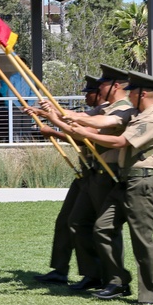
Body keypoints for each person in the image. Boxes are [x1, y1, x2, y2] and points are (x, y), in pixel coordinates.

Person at [65, 70, 153, 305]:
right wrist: (68, 117)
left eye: (132, 92)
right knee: (102, 228)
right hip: (124, 182)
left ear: (143, 94)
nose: (128, 95)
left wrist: (82, 133)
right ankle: (118, 280)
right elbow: (102, 120)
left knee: (142, 239)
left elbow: (120, 141)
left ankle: (151, 294)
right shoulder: (135, 113)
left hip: (142, 182)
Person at [29, 75, 102, 286]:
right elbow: (72, 118)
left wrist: (52, 129)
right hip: (84, 174)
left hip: (97, 175)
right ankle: (60, 270)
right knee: (64, 222)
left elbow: (82, 135)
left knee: (83, 224)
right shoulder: (93, 112)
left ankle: (94, 274)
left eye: (89, 92)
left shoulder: (105, 112)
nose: (86, 96)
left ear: (100, 93)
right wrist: (45, 112)